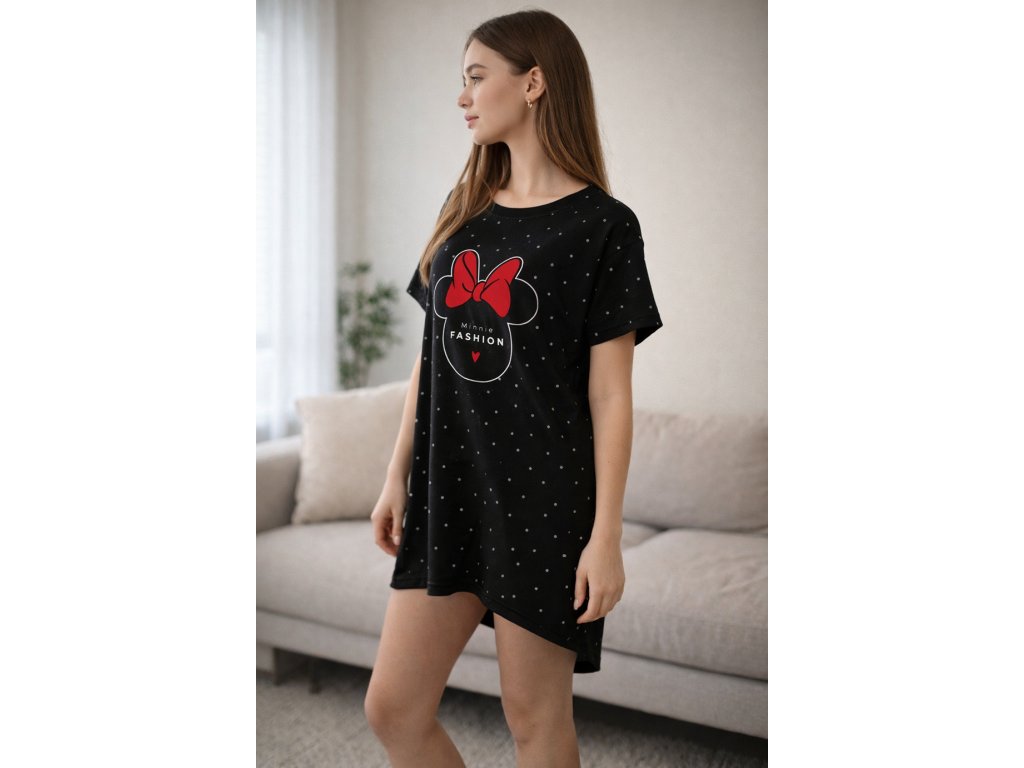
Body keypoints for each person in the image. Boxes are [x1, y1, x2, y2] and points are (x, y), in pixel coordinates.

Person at [364, 9, 664, 767]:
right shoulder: (463, 211)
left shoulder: (603, 227)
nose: (462, 96)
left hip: (544, 504)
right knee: (393, 708)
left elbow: (611, 398)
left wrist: (605, 537)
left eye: (476, 77)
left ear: (533, 83)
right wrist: (397, 474)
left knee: (536, 722)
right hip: (449, 489)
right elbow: (430, 357)